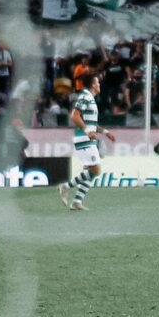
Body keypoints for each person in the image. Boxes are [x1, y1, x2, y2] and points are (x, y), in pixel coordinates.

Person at [62, 68, 107, 212]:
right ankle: (66, 186)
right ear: (93, 85)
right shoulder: (85, 97)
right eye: (98, 82)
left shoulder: (90, 98)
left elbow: (91, 123)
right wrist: (88, 131)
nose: (99, 85)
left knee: (91, 170)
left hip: (87, 138)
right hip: (83, 138)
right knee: (96, 169)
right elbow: (74, 116)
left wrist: (105, 132)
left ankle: (77, 201)